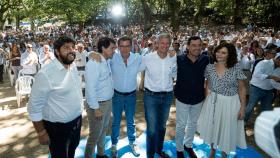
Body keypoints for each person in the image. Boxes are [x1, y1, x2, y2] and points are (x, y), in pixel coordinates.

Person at [27, 36, 83, 158]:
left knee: (72, 151)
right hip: (58, 128)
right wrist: (41, 132)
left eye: (72, 47)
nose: (71, 50)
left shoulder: (72, 65)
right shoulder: (46, 74)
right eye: (66, 47)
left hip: (77, 122)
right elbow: (34, 107)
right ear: (57, 51)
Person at [197, 42, 247, 158]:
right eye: (218, 51)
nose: (219, 54)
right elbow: (207, 83)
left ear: (229, 55)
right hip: (212, 102)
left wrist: (243, 107)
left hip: (230, 103)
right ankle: (213, 152)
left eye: (223, 53)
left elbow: (242, 88)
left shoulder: (236, 68)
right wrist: (206, 99)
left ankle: (224, 155)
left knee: (226, 129)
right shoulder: (209, 67)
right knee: (213, 128)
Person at [139, 33, 176, 158]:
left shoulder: (173, 57)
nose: (165, 46)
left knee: (161, 126)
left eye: (167, 43)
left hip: (167, 96)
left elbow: (175, 73)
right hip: (151, 97)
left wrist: (174, 55)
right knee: (152, 129)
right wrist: (91, 53)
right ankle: (150, 155)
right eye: (162, 43)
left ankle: (159, 151)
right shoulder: (147, 58)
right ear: (157, 44)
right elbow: (131, 62)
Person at [174, 36, 209, 158]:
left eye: (199, 45)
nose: (197, 48)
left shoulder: (205, 59)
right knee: (181, 125)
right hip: (182, 97)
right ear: (188, 46)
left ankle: (188, 145)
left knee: (193, 124)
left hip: (198, 98)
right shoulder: (178, 59)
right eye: (194, 45)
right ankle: (179, 148)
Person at [84, 37, 116, 158]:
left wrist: (90, 52)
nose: (114, 51)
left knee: (103, 132)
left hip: (107, 102)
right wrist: (96, 108)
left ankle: (101, 154)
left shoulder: (105, 59)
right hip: (97, 104)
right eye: (112, 48)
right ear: (103, 48)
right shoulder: (94, 62)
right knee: (94, 135)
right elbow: (90, 88)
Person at [110, 36, 141, 157]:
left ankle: (132, 142)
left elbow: (154, 57)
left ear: (131, 46)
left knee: (131, 121)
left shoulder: (137, 58)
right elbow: (100, 56)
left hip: (131, 95)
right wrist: (92, 53)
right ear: (118, 47)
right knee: (116, 122)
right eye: (121, 46)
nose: (124, 49)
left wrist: (170, 52)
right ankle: (114, 144)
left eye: (127, 45)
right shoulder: (113, 57)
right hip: (116, 95)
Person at [244, 53, 280, 123]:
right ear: (278, 59)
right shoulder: (263, 63)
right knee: (250, 107)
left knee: (266, 110)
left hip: (269, 91)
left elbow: (275, 81)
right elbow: (257, 74)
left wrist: (278, 87)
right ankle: (242, 123)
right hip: (256, 88)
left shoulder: (279, 69)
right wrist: (271, 77)